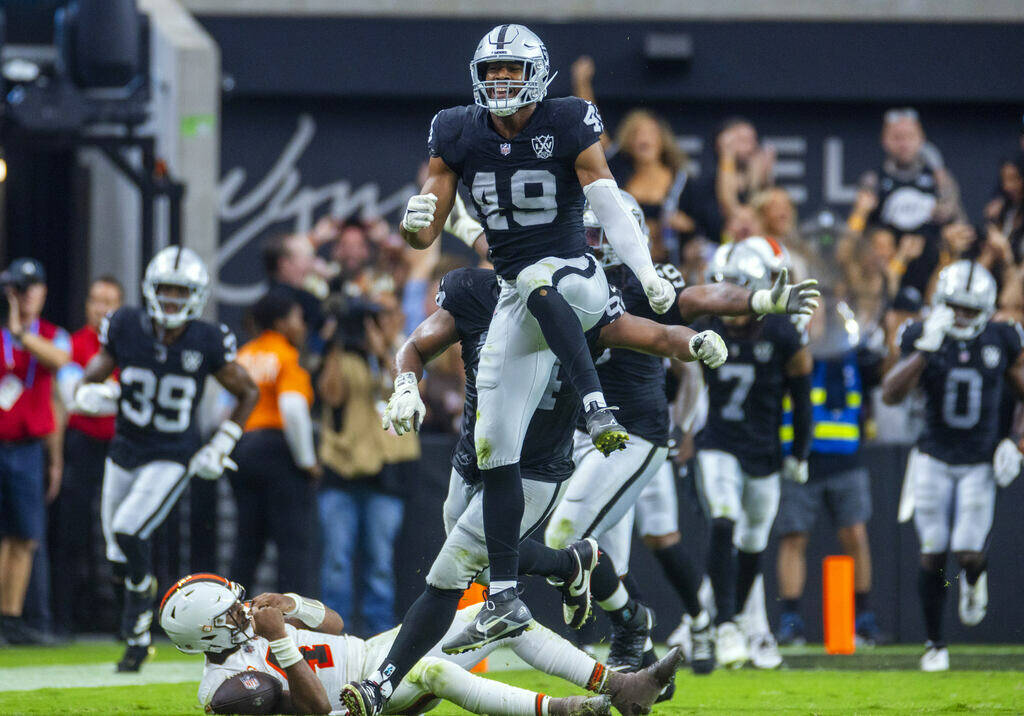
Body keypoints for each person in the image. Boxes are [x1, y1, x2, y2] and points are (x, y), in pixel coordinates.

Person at [394, 22, 677, 663]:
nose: (498, 82)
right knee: (493, 441)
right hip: (516, 295)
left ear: (538, 73)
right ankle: (505, 594)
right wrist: (416, 228)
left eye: (509, 71)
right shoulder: (457, 129)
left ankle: (594, 405)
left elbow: (605, 198)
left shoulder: (569, 119)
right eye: (489, 72)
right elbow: (429, 226)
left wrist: (645, 271)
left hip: (575, 273)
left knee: (544, 276)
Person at [343, 264, 728, 716]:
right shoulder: (477, 293)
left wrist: (693, 342)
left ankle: (378, 686)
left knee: (449, 577)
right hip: (472, 463)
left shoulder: (583, 306)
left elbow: (659, 337)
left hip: (534, 473)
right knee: (485, 575)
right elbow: (417, 344)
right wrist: (406, 384)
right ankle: (572, 567)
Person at [543, 196, 819, 674]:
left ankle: (678, 624)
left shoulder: (646, 283)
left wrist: (758, 300)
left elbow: (698, 298)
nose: (584, 244)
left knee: (571, 535)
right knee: (612, 565)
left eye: (594, 236)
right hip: (582, 433)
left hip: (634, 434)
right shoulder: (560, 280)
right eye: (582, 233)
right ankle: (646, 658)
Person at [74, 246, 259, 671]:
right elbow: (90, 379)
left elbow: (249, 390)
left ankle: (137, 629)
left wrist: (222, 443)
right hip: (124, 450)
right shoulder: (124, 325)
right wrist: (90, 393)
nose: (172, 300)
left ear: (195, 296)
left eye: (181, 292)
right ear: (149, 291)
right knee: (117, 555)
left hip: (172, 455)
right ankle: (139, 621)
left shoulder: (207, 339)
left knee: (127, 531)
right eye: (165, 291)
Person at [159, 573, 680, 716]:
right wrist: (281, 643)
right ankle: (566, 711)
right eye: (229, 611)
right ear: (205, 631)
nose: (241, 610)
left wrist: (294, 606)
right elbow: (316, 709)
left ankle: (621, 686)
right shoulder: (224, 688)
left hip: (370, 655)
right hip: (353, 702)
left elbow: (338, 627)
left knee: (502, 615)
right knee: (437, 673)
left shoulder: (257, 624)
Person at [881, 260, 1024, 672]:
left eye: (970, 309)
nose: (962, 316)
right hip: (932, 456)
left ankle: (976, 579)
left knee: (967, 552)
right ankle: (934, 644)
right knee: (932, 550)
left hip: (979, 460)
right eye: (955, 307)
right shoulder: (922, 334)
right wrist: (926, 348)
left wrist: (1016, 443)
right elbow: (891, 393)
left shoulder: (1002, 337)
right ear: (941, 303)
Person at [690, 242, 814, 669]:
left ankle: (732, 620)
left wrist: (800, 449)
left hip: (764, 450)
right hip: (719, 442)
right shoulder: (706, 324)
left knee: (754, 542)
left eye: (737, 288)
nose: (726, 298)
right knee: (723, 517)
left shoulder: (781, 332)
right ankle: (725, 625)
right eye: (721, 287)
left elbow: (801, 398)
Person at [774, 293, 885, 647]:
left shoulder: (853, 352)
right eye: (809, 314)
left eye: (820, 314)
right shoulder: (790, 350)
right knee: (794, 537)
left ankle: (863, 619)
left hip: (846, 458)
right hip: (801, 458)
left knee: (856, 536)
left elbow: (881, 372)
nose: (815, 319)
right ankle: (790, 620)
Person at [317, 297, 418, 636]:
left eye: (382, 315)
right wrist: (335, 343)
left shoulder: (405, 349)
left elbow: (412, 389)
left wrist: (384, 348)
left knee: (380, 564)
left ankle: (380, 635)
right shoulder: (340, 357)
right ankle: (334, 634)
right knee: (336, 561)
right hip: (341, 473)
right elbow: (330, 395)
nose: (372, 325)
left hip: (386, 475)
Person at [0, 258, 70, 644]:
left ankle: (11, 618)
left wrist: (55, 459)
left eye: (30, 288)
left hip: (28, 449)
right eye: (17, 289)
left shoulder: (50, 334)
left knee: (24, 537)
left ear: (42, 291)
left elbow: (61, 362)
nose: (24, 296)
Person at [232, 292, 319, 596]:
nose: (302, 325)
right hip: (278, 452)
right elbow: (293, 409)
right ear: (281, 322)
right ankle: (292, 624)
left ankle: (230, 616)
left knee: (246, 544)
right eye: (296, 317)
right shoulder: (287, 356)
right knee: (291, 547)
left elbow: (224, 408)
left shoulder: (243, 354)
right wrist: (307, 461)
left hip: (242, 448)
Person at [51, 276, 123, 636]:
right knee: (73, 531)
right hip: (82, 445)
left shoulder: (129, 346)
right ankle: (64, 619)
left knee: (124, 530)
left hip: (121, 449)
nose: (101, 308)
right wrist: (110, 394)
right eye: (96, 300)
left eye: (109, 301)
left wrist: (98, 392)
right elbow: (73, 399)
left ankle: (128, 619)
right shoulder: (74, 343)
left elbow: (108, 396)